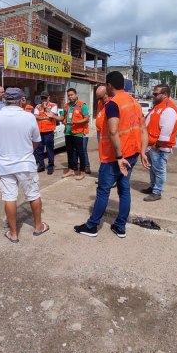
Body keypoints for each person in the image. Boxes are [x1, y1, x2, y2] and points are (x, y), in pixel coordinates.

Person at [74, 71, 149, 238]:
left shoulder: (114, 104)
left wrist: (119, 157)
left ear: (109, 85)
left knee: (103, 191)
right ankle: (120, 226)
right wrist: (143, 152)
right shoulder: (134, 102)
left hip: (115, 157)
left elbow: (113, 131)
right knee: (124, 190)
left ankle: (92, 226)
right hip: (132, 154)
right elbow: (144, 129)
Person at [0, 87, 49, 243]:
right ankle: (38, 226)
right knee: (33, 194)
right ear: (21, 99)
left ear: (5, 100)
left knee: (9, 197)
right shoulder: (28, 117)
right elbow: (36, 141)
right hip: (25, 163)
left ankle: (13, 233)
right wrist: (26, 150)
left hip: (4, 164)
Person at [142, 84, 177, 202]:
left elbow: (166, 132)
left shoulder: (168, 109)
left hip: (159, 147)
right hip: (152, 145)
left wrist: (156, 145)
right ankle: (153, 186)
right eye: (153, 93)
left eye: (155, 94)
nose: (153, 96)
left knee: (159, 170)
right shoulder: (158, 106)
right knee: (153, 169)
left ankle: (157, 192)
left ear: (165, 94)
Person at [62, 88, 90, 180]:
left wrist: (75, 122)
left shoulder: (82, 105)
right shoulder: (66, 106)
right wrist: (53, 116)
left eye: (72, 95)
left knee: (80, 152)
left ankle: (82, 171)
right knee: (69, 152)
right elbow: (62, 117)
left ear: (76, 95)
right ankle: (71, 169)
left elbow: (86, 118)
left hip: (78, 132)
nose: (70, 97)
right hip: (68, 132)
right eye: (68, 95)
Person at [33, 90, 62, 175]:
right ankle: (41, 166)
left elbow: (51, 115)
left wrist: (46, 108)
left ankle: (50, 167)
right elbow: (35, 116)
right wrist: (45, 118)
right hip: (39, 131)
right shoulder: (38, 106)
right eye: (42, 98)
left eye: (45, 98)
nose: (43, 100)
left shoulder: (53, 105)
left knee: (50, 150)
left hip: (49, 131)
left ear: (49, 97)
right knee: (39, 150)